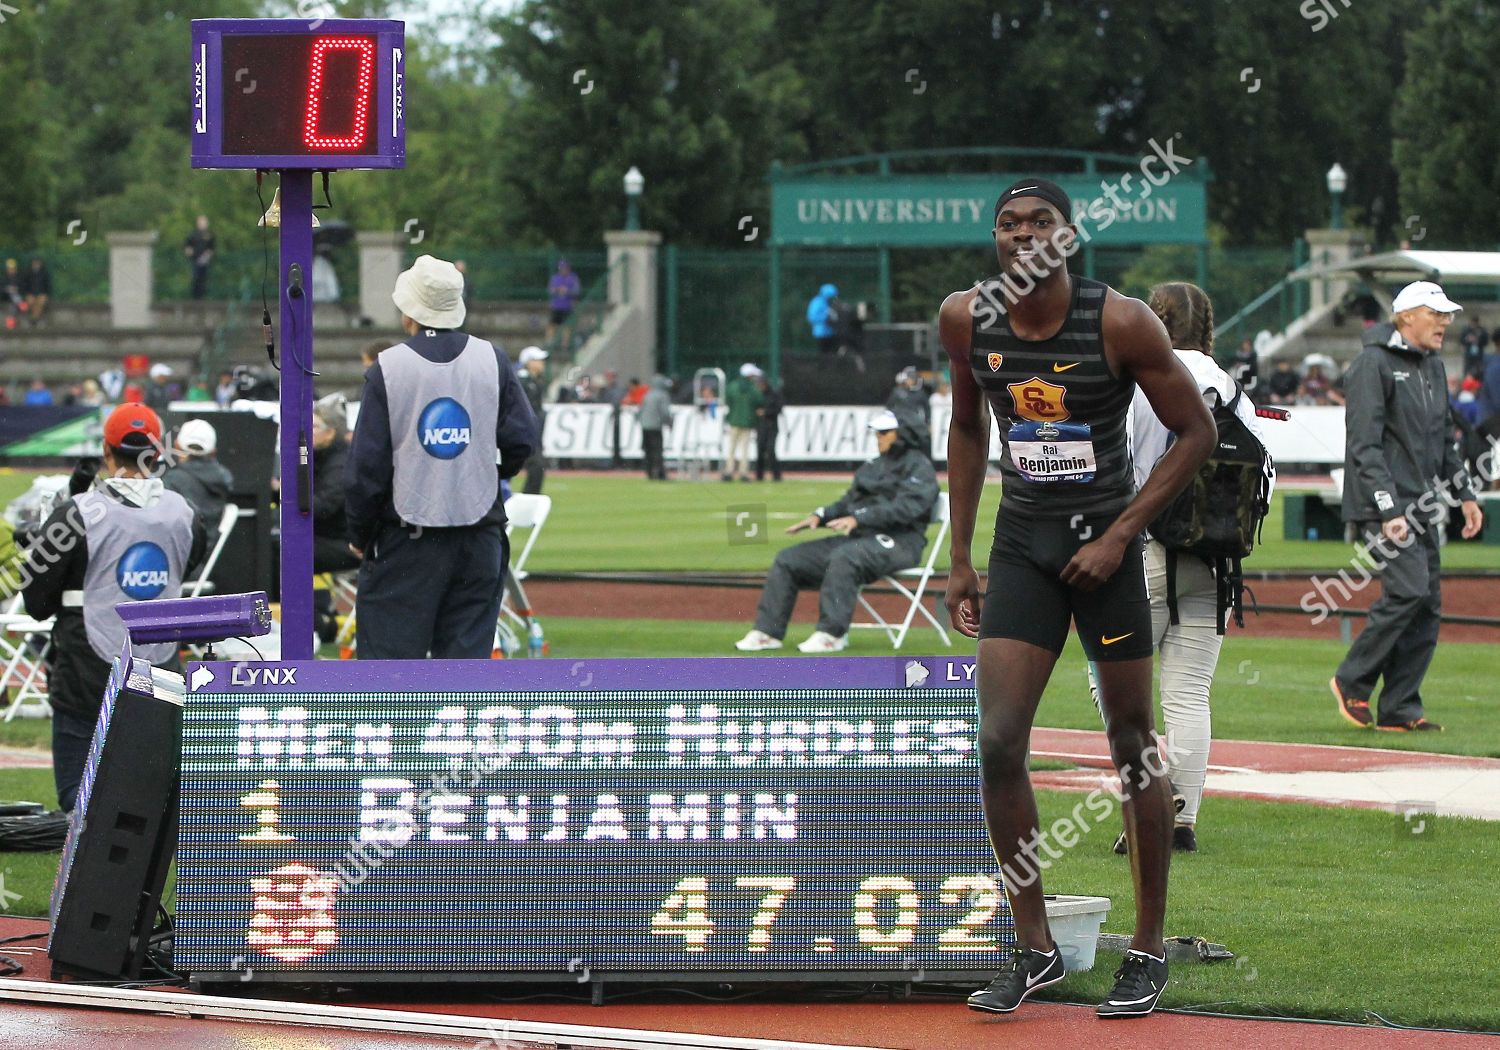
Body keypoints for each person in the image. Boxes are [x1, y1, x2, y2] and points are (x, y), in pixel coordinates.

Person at [941, 178, 1214, 1018]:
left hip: (1105, 548)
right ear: (995, 237)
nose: (1024, 236)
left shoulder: (1122, 321)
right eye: (1009, 224)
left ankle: (1146, 948)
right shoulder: (965, 317)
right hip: (1023, 542)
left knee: (1132, 741)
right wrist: (959, 555)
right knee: (995, 741)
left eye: (1041, 224)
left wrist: (1121, 534)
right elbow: (966, 425)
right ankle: (1035, 948)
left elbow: (1196, 431)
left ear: (1068, 238)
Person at [1086, 282, 1276, 855]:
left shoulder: (1141, 379)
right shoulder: (1233, 390)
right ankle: (1184, 818)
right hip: (1214, 562)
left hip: (1141, 547)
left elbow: (1110, 461)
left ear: (1154, 318)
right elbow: (1262, 479)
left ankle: (1147, 802)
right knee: (1189, 695)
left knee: (1117, 691)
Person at [344, 254, 537, 659]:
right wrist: (486, 471)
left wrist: (360, 534)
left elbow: (367, 470)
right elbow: (521, 440)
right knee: (464, 680)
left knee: (389, 681)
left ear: (409, 312)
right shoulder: (493, 359)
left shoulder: (389, 367)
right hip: (478, 534)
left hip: (407, 539)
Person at [21, 403, 204, 811]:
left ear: (106, 451)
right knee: (147, 786)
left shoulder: (76, 514)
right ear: (156, 453)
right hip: (158, 664)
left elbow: (36, 601)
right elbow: (187, 563)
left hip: (86, 664)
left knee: (77, 796)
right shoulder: (184, 513)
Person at [1331, 281, 1483, 733]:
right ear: (1407, 316)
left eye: (1448, 314)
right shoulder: (1371, 364)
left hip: (1422, 504)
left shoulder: (1433, 367)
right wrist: (1388, 507)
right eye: (1437, 313)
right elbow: (1365, 445)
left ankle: (1399, 707)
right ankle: (1352, 679)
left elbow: (1445, 442)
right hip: (1385, 506)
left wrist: (1467, 495)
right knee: (1410, 592)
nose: (1446, 321)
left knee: (1428, 603)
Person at [735, 410, 937, 653]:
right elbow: (848, 502)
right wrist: (820, 516)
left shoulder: (920, 468)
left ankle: (832, 634)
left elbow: (906, 509)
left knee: (845, 558)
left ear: (904, 434)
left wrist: (860, 518)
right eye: (877, 433)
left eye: (884, 433)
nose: (878, 438)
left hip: (901, 542)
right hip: (862, 538)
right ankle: (768, 632)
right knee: (788, 559)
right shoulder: (873, 466)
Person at [162, 418, 235, 548]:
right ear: (213, 452)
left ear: (176, 445)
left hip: (182, 561)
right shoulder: (225, 479)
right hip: (210, 560)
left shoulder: (171, 481)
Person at [723, 364, 764, 482]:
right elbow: (759, 401)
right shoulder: (753, 389)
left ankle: (728, 471)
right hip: (747, 421)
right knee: (744, 449)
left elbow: (728, 400)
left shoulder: (732, 386)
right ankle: (743, 473)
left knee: (731, 448)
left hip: (734, 420)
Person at [517, 346, 549, 494]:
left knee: (538, 467)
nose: (542, 363)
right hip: (523, 431)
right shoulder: (522, 381)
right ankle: (528, 499)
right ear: (529, 362)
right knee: (537, 466)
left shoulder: (536, 382)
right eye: (538, 360)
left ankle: (529, 498)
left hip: (532, 431)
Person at [887, 366, 933, 455]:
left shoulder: (920, 393)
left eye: (911, 378)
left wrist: (928, 424)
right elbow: (889, 407)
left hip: (915, 424)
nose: (909, 381)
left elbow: (927, 409)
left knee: (918, 444)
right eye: (908, 378)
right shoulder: (897, 392)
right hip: (900, 423)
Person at [638, 374, 672, 481]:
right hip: (656, 426)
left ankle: (649, 472)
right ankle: (660, 473)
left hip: (645, 426)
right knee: (657, 450)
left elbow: (640, 410)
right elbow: (665, 412)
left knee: (648, 450)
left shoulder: (647, 395)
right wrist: (669, 422)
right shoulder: (663, 395)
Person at [754, 372, 784, 482]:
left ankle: (776, 475)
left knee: (771, 450)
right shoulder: (756, 395)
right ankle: (759, 476)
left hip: (772, 426)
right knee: (760, 450)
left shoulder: (774, 394)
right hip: (761, 427)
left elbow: (779, 409)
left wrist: (766, 412)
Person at [546, 258, 580, 345]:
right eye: (561, 268)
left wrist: (567, 291)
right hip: (557, 306)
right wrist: (558, 290)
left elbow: (576, 291)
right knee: (552, 324)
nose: (563, 270)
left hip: (568, 306)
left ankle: (565, 344)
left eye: (565, 268)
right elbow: (550, 290)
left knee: (567, 326)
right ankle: (549, 342)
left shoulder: (573, 278)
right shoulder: (555, 278)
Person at [185, 215, 216, 300]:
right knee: (196, 278)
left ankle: (203, 296)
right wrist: (189, 251)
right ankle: (195, 297)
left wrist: (208, 254)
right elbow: (188, 246)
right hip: (195, 260)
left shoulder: (209, 234)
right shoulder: (193, 234)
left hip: (205, 260)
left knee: (204, 279)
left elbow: (212, 247)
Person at [807, 283, 840, 354]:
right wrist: (826, 317)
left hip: (831, 333)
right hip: (821, 333)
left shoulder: (829, 303)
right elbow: (812, 317)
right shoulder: (817, 302)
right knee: (823, 354)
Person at [23, 257, 51, 326]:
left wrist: (45, 294)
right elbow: (25, 285)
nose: (36, 265)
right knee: (31, 302)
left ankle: (33, 320)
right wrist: (27, 293)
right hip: (30, 293)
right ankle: (37, 320)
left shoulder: (44, 274)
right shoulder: (28, 273)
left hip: (41, 293)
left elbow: (47, 285)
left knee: (40, 303)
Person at [2, 259, 24, 329]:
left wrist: (16, 289)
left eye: (13, 269)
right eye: (10, 269)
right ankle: (21, 304)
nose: (11, 270)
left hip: (17, 296)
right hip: (7, 297)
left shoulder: (19, 278)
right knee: (14, 302)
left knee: (13, 305)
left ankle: (11, 324)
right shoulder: (3, 278)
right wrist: (7, 289)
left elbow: (23, 288)